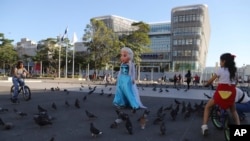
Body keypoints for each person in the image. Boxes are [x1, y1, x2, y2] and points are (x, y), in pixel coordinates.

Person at [201, 53, 240, 136]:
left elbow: (211, 80)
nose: (220, 63)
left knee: (207, 107)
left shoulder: (220, 70)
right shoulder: (234, 71)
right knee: (233, 110)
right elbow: (236, 82)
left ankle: (204, 127)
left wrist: (207, 84)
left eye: (220, 61)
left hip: (220, 94)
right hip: (231, 93)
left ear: (224, 61)